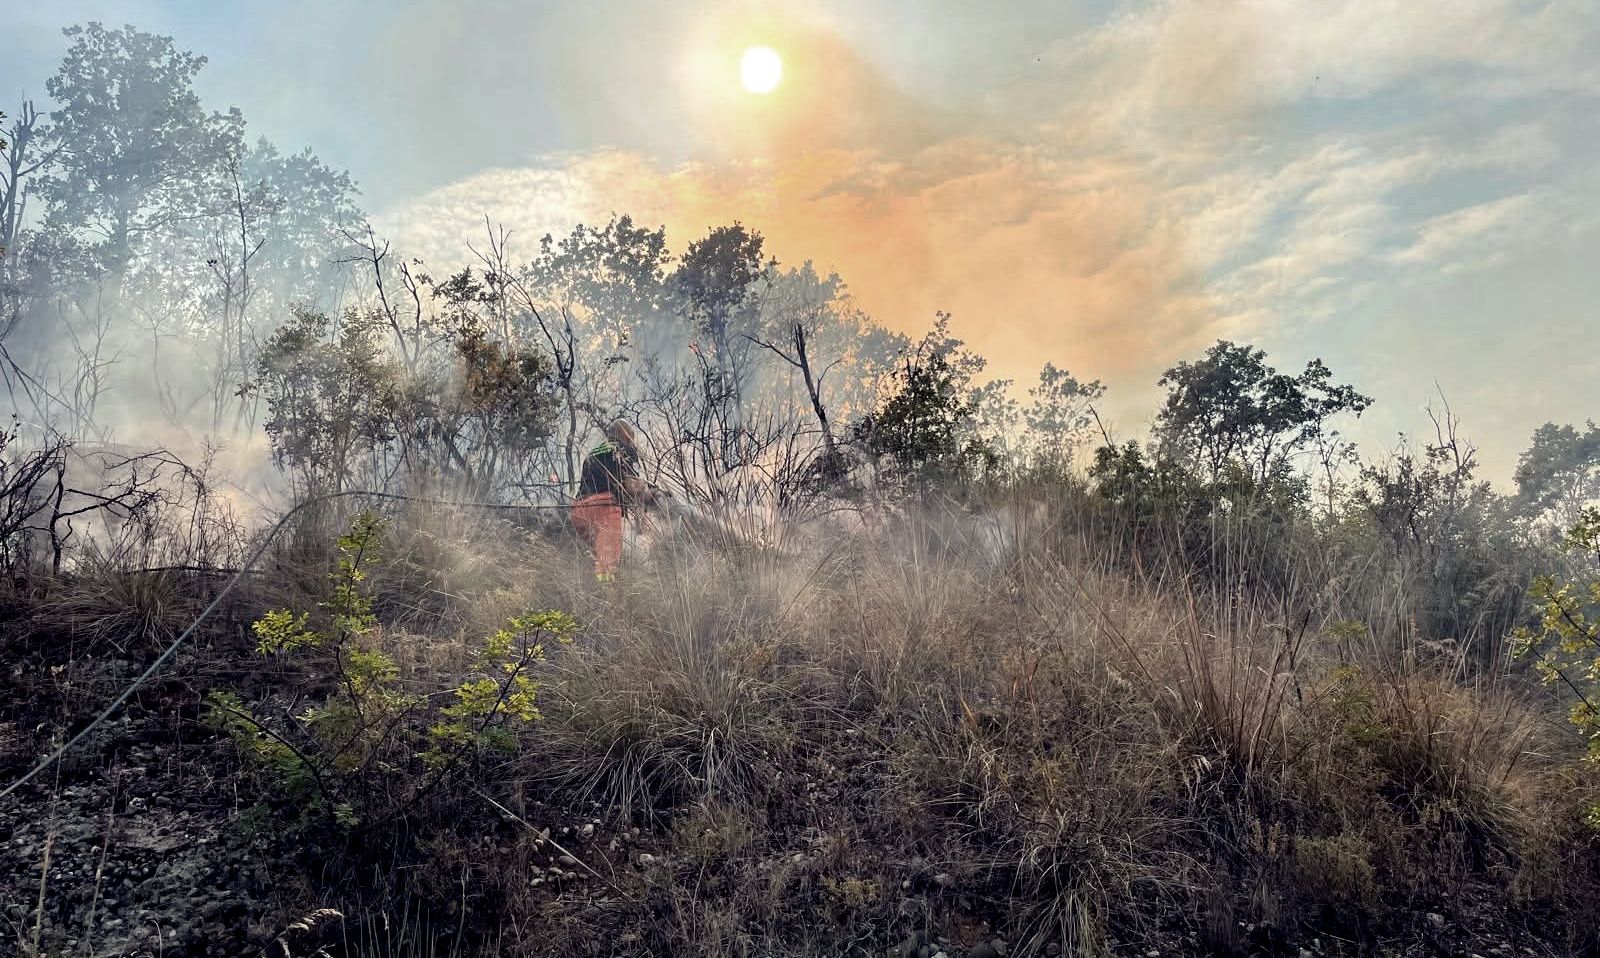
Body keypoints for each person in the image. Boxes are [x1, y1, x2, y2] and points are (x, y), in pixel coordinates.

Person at [570, 420, 651, 582]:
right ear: (626, 436)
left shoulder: (592, 453)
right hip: (604, 507)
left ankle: (587, 588)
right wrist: (647, 493)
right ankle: (607, 596)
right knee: (608, 565)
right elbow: (631, 485)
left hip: (579, 511)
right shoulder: (626, 449)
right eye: (631, 440)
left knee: (591, 557)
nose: (631, 443)